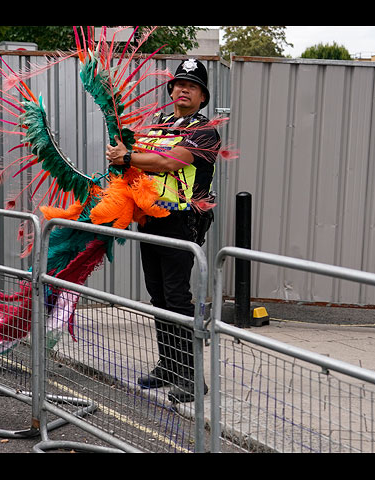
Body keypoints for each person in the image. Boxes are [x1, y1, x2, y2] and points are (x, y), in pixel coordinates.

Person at [106, 59, 220, 404]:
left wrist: (127, 158)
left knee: (177, 299)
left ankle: (191, 378)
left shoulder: (206, 130)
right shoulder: (159, 125)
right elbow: (140, 159)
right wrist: (122, 154)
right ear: (171, 91)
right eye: (178, 84)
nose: (183, 90)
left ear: (202, 97)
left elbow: (170, 162)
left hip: (181, 221)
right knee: (157, 295)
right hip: (151, 219)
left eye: (192, 86)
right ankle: (169, 366)